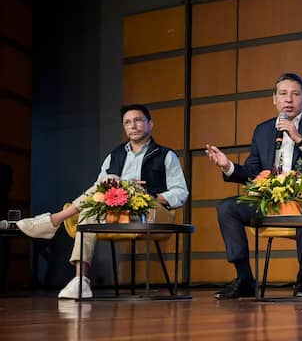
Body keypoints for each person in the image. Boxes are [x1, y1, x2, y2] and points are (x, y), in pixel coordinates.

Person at [17, 104, 189, 299]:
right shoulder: (114, 155)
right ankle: (80, 280)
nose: (133, 126)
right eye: (127, 122)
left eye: (138, 120)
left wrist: (150, 194)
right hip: (117, 210)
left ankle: (53, 221)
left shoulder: (165, 155)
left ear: (151, 124)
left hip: (149, 210)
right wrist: (118, 187)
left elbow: (181, 193)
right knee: (90, 209)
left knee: (111, 184)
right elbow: (99, 189)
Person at [205, 72, 302, 299]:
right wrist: (228, 166)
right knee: (227, 208)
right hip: (272, 199)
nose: (289, 99)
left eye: (295, 94)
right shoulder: (263, 130)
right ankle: (245, 279)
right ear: (274, 99)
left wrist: (299, 138)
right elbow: (252, 173)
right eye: (283, 94)